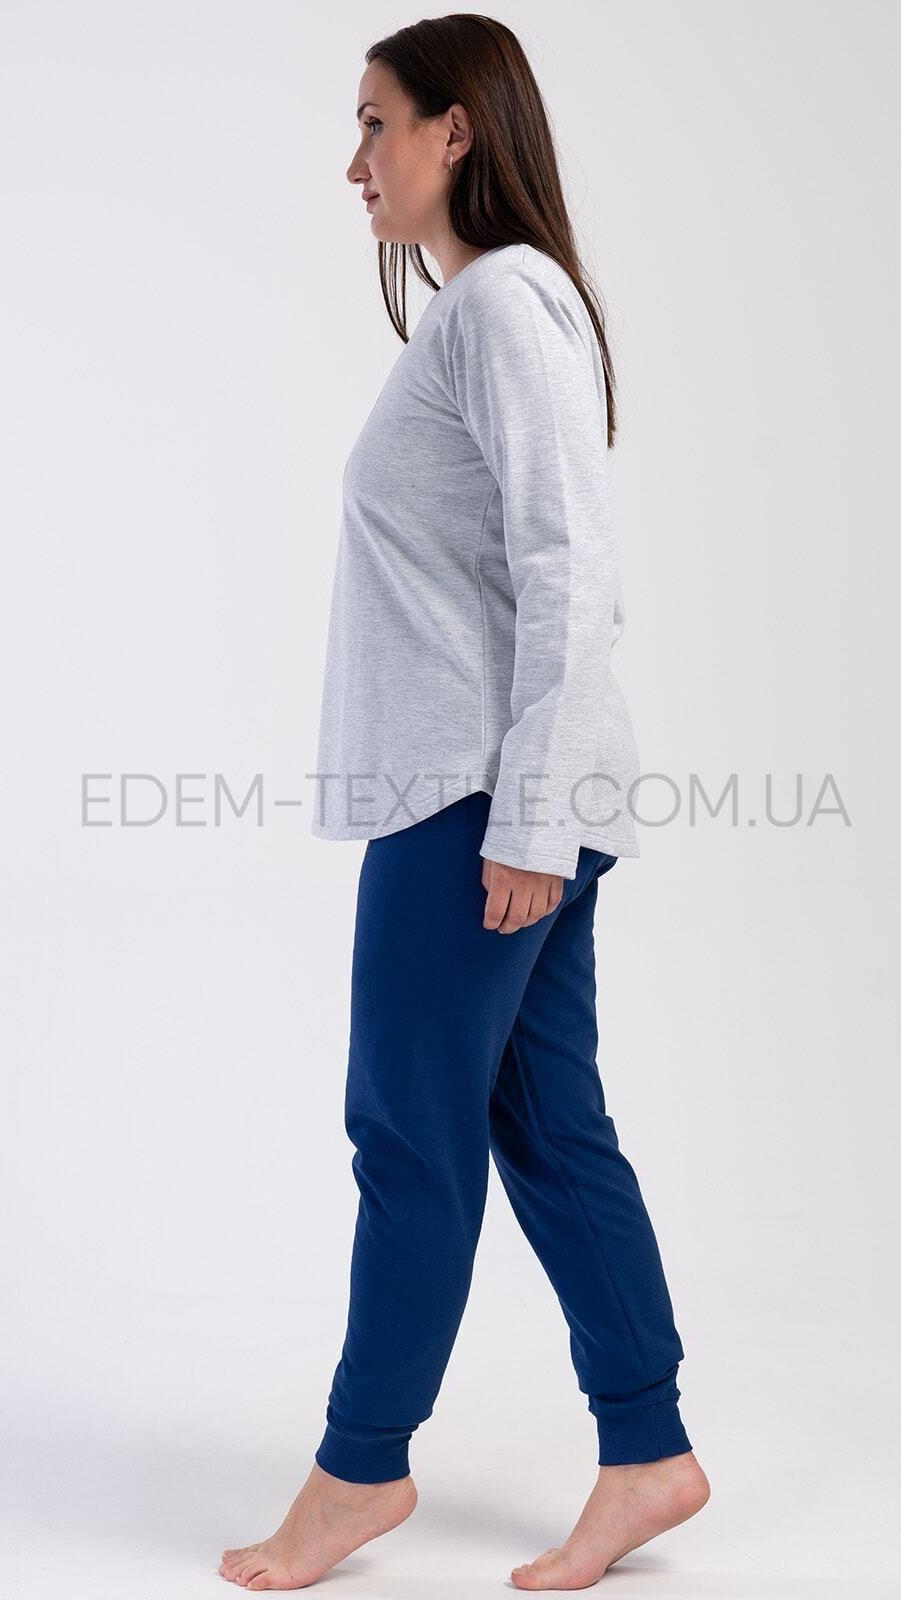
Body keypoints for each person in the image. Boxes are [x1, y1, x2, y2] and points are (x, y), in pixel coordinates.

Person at [219, 15, 710, 1592]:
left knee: (408, 1133)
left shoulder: (500, 304)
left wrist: (529, 824)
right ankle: (649, 1450)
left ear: (457, 131)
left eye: (377, 123)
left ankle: (360, 1471)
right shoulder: (487, 313)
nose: (354, 161)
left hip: (479, 800)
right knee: (546, 1123)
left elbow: (573, 567)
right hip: (498, 791)